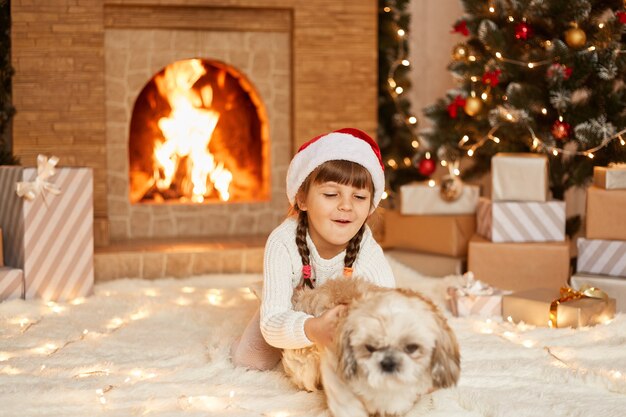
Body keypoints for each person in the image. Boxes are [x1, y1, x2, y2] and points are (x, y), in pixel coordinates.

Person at [230, 128, 396, 370]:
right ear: (302, 200)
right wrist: (312, 328)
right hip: (294, 304)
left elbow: (391, 307)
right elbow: (273, 323)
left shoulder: (367, 250)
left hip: (337, 311)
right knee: (250, 361)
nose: (346, 206)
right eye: (331, 194)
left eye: (359, 197)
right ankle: (269, 293)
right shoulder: (283, 242)